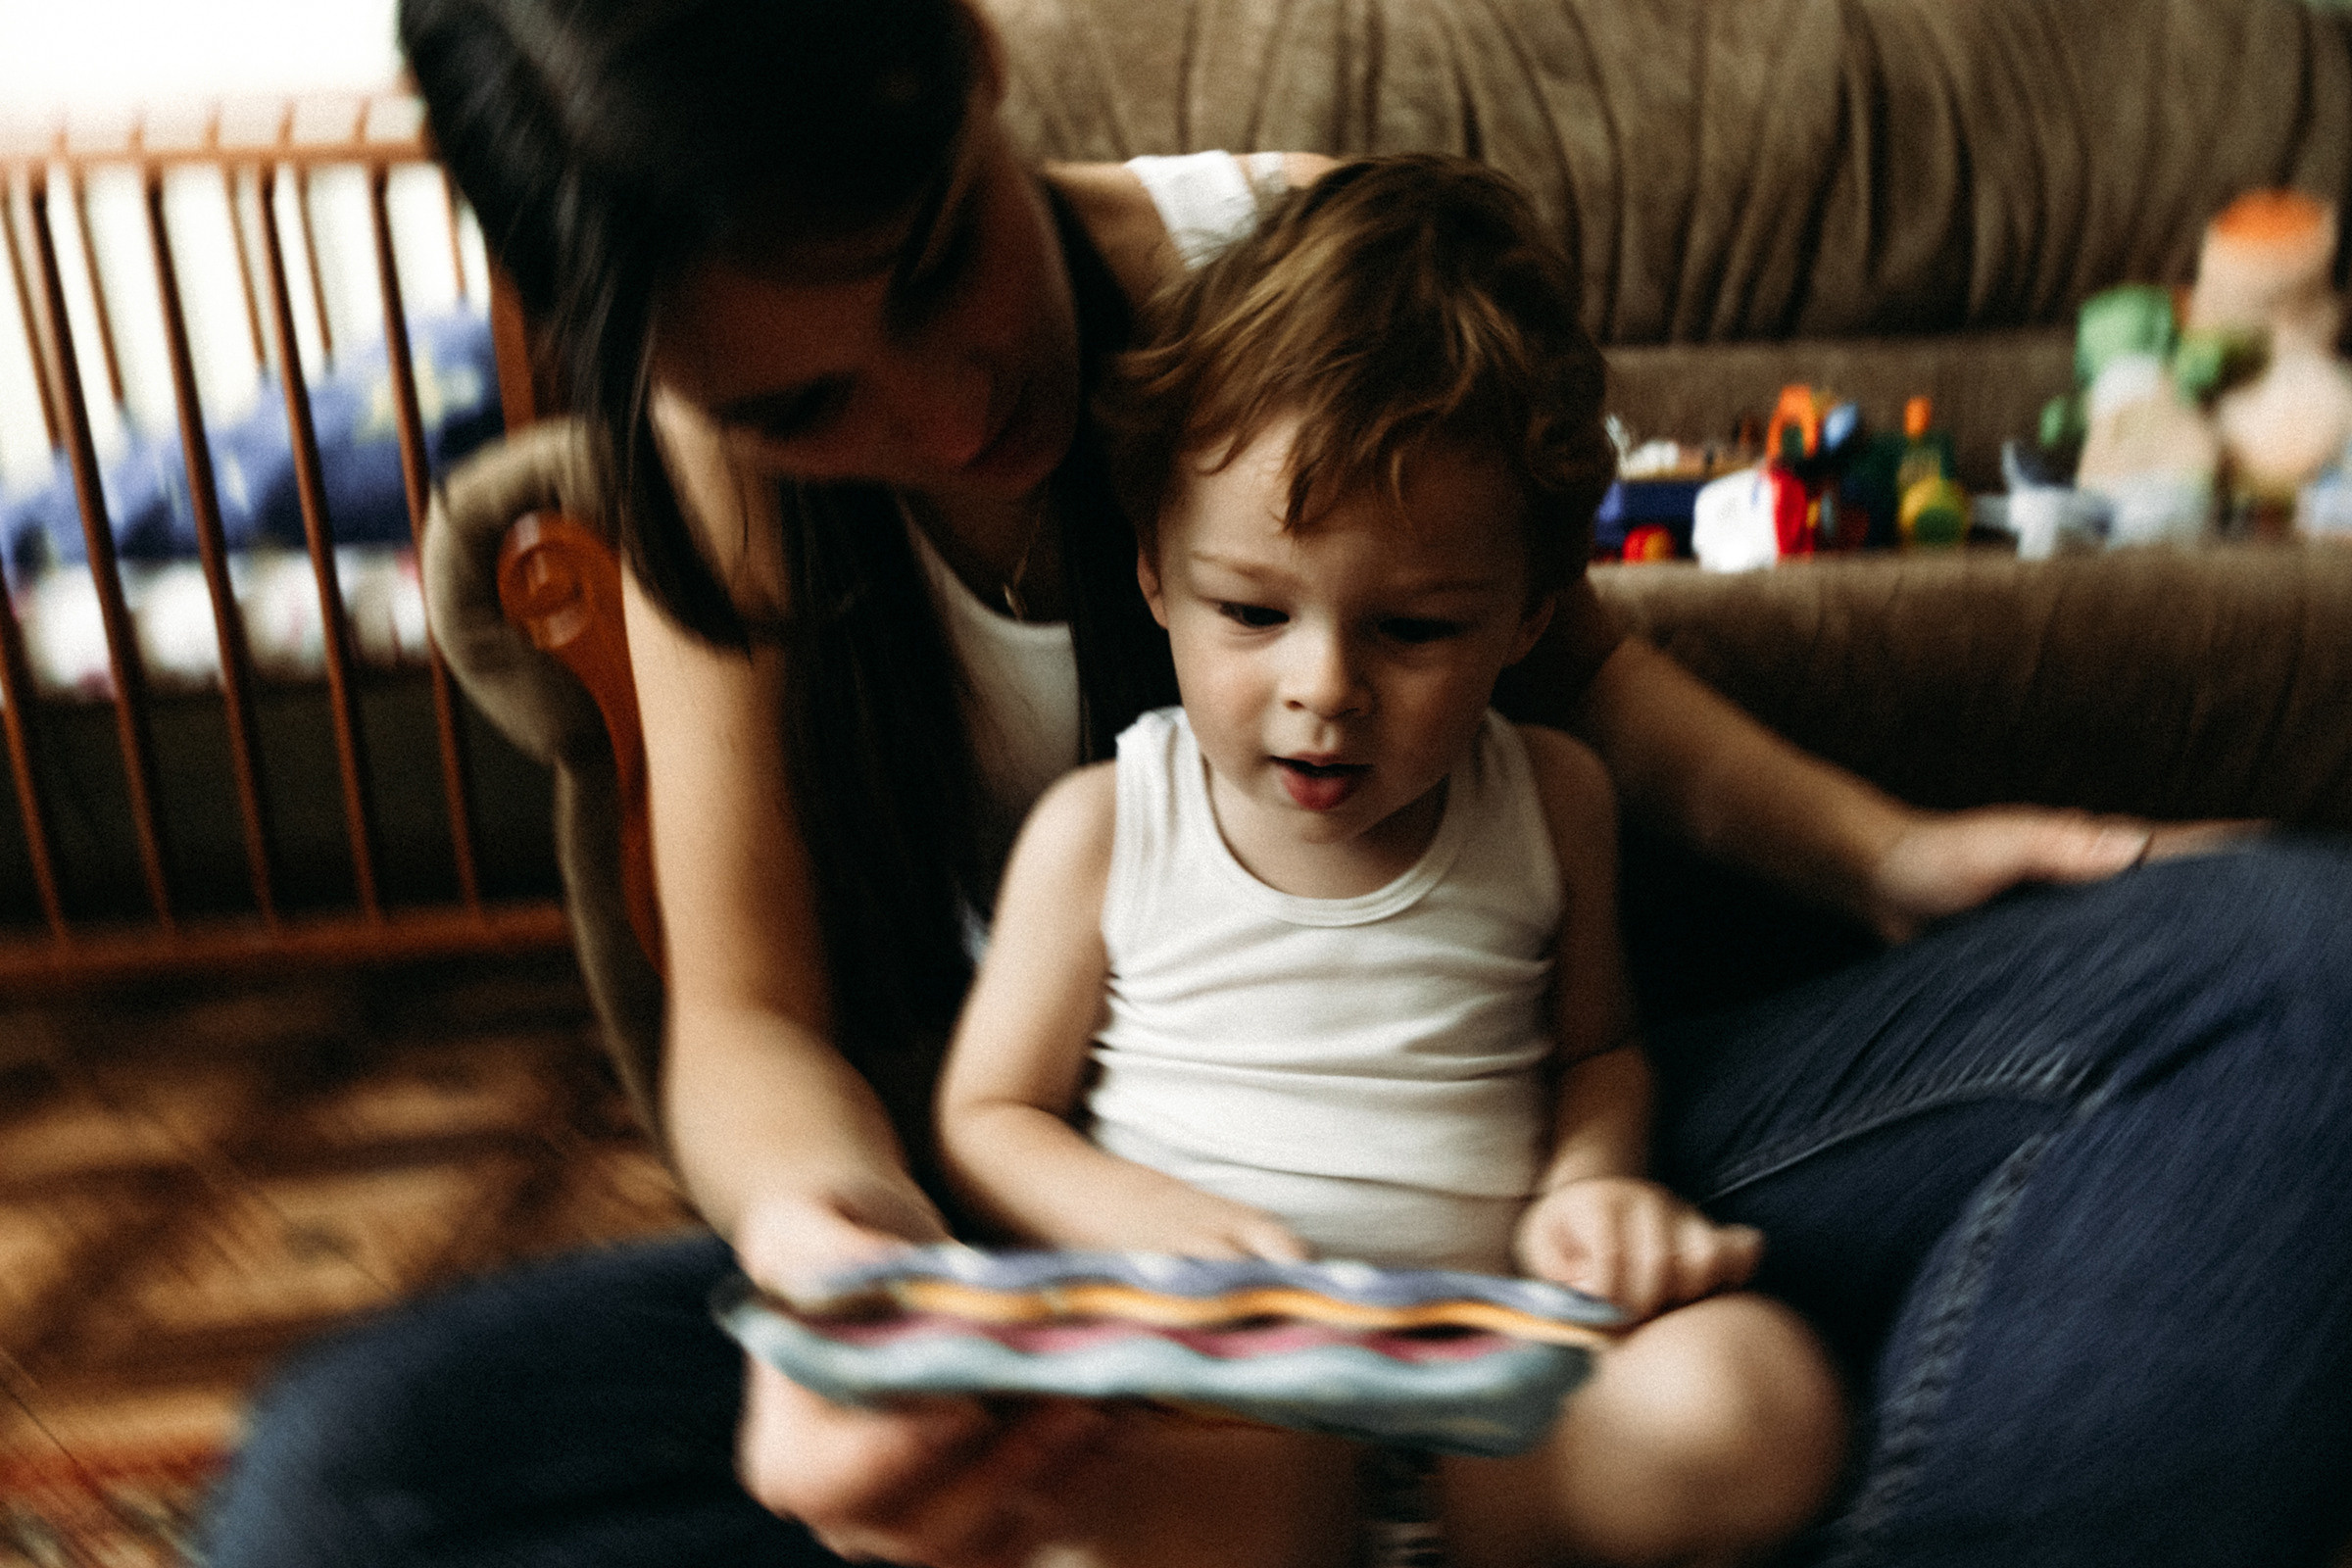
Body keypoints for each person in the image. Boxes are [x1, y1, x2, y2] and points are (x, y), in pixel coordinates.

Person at [200, 0, 2352, 1565]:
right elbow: (751, 1025)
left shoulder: (1303, 274)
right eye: (804, 402)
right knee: (344, 1480)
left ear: (972, 56)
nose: (945, 411)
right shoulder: (714, 502)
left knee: (2290, 966)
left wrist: (1883, 851)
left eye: (939, 260)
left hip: (1525, 1193)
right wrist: (843, 1278)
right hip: (1091, 1273)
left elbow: (1588, 688)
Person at [933, 154, 1846, 1568]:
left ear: (1529, 616)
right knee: (1105, 1474)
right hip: (1217, 1390)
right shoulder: (1112, 825)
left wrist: (1592, 1186)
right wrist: (1154, 1227)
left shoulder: (1554, 798)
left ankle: (1437, 1532)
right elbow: (989, 1115)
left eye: (1414, 630)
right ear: (1154, 576)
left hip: (1481, 1397)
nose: (1325, 688)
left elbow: (1594, 1054)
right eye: (1252, 611)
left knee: (1755, 1402)